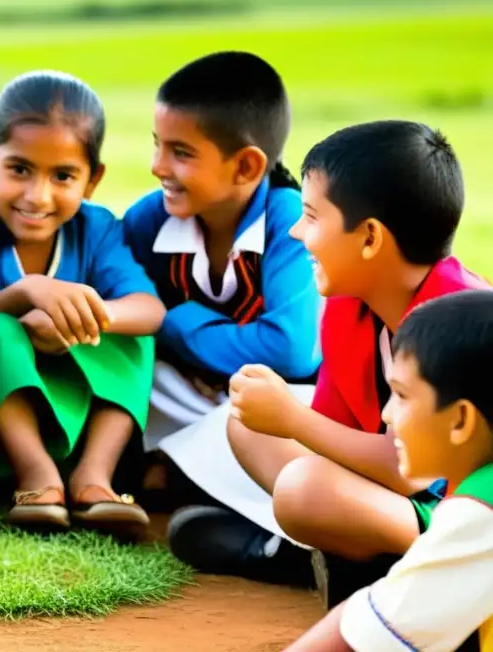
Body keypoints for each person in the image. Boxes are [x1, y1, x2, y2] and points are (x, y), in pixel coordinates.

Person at [226, 120, 487, 604]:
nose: (295, 230)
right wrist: (286, 420)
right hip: (410, 497)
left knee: (302, 488)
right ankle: (361, 551)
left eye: (311, 216)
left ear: (369, 238)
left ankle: (443, 562)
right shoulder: (349, 306)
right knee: (250, 425)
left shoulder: (456, 318)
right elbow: (336, 433)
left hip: (469, 508)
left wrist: (292, 418)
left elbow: (407, 468)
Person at [0, 70, 163, 533]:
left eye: (63, 176)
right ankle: (35, 476)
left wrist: (90, 318)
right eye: (19, 169)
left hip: (68, 413)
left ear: (92, 180)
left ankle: (94, 477)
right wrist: (28, 291)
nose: (38, 196)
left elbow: (149, 309)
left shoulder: (96, 228)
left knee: (133, 334)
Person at [122, 52, 320, 577]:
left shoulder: (288, 223)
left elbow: (291, 350)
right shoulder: (150, 220)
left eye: (181, 152)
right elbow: (114, 292)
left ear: (247, 166)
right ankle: (188, 484)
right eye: (157, 145)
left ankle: (292, 538)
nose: (158, 166)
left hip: (281, 407)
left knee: (255, 425)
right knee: (129, 368)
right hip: (194, 396)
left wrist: (174, 320)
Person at [287, 290, 493, 652]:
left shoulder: (479, 512)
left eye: (401, 395)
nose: (387, 414)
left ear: (461, 419)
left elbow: (357, 635)